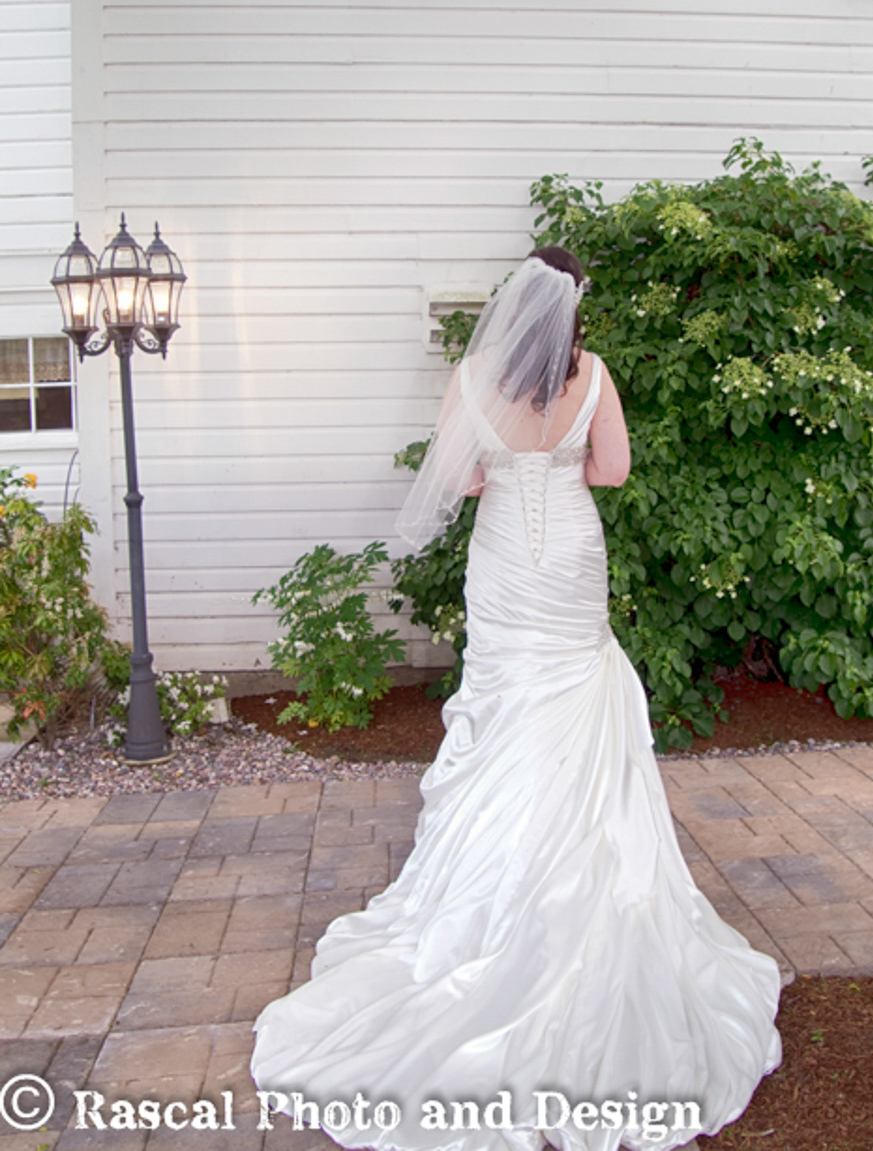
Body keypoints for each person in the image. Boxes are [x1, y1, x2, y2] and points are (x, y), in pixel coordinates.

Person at [251, 248, 782, 1151]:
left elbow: (459, 481)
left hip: (504, 561)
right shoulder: (595, 375)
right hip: (569, 557)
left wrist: (506, 466)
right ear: (575, 310)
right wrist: (560, 462)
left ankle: (493, 883)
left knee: (506, 707)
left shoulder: (470, 379)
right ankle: (579, 870)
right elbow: (610, 471)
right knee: (577, 690)